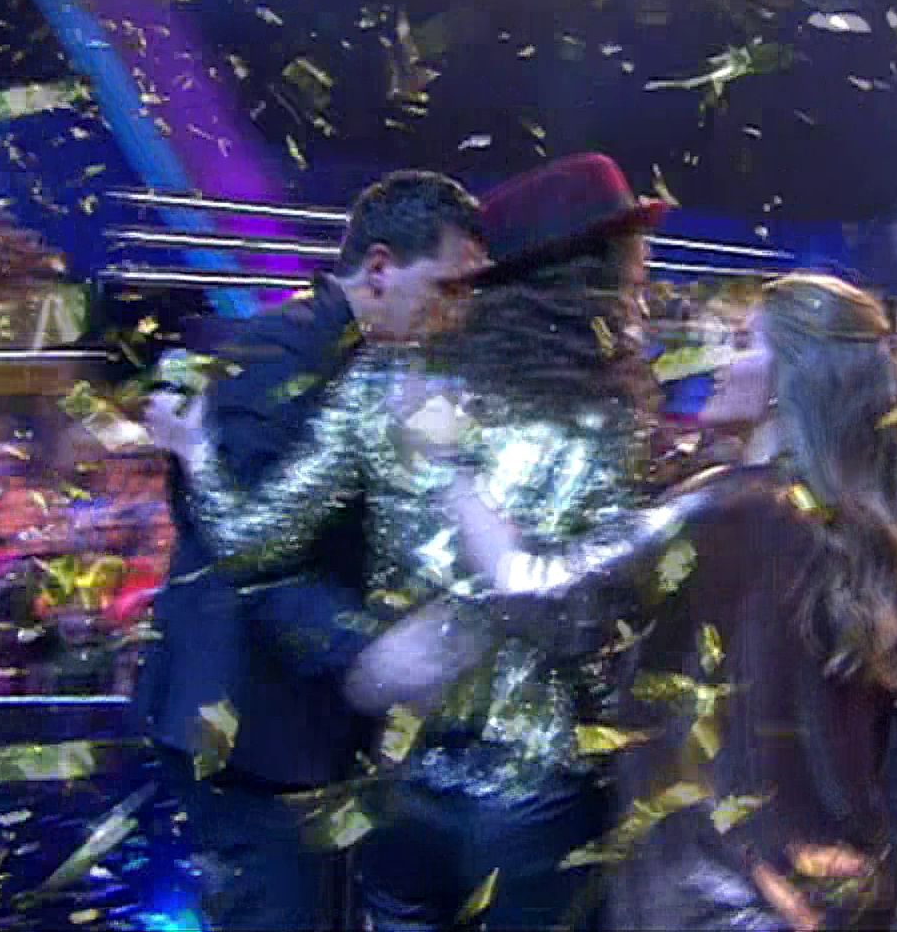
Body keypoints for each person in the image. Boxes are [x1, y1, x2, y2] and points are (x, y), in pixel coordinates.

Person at [153, 152, 666, 931]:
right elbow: (583, 622)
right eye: (634, 281)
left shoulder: (389, 386)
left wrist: (197, 455)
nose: (455, 305)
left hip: (400, 786)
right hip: (525, 788)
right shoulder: (600, 423)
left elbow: (253, 538)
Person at [406, 274, 897, 930]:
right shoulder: (854, 529)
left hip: (719, 904)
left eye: (741, 343)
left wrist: (448, 459)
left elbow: (537, 591)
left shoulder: (733, 509)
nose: (714, 359)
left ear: (788, 380)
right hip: (838, 897)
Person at [134, 170, 486, 931]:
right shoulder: (279, 356)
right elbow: (251, 558)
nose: (459, 312)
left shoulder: (363, 362)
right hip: (250, 732)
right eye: (448, 287)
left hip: (296, 730)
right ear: (381, 268)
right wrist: (372, 653)